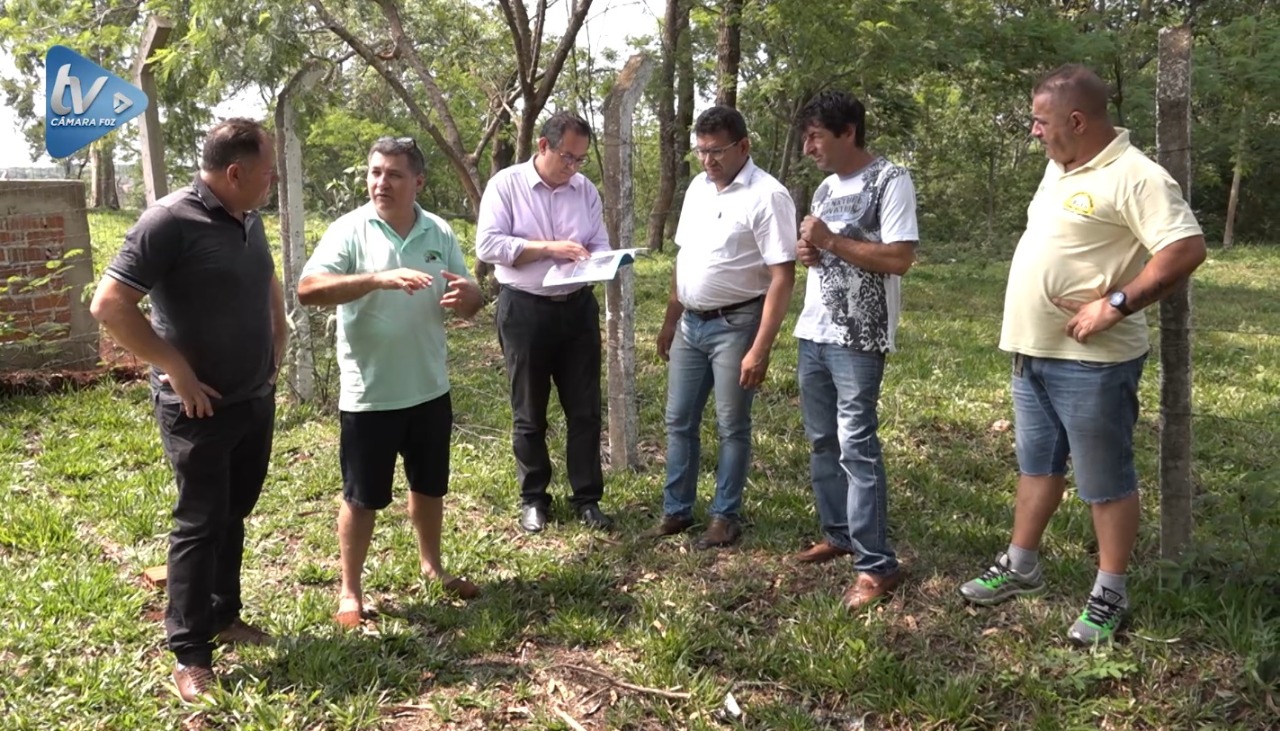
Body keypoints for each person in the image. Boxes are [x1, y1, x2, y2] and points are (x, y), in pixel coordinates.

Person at [958, 65, 1207, 645]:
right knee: (1037, 466)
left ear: (1076, 119)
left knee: (1105, 481)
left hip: (1094, 362)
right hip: (1034, 352)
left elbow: (1186, 248)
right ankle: (1022, 564)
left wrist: (1115, 303)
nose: (1034, 132)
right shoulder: (1058, 167)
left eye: (1041, 121)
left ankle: (1110, 594)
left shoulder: (1137, 175)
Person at [89, 118, 286, 703]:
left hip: (252, 397)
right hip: (197, 407)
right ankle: (190, 651)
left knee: (234, 511)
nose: (272, 179)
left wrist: (278, 334)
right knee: (200, 521)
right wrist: (175, 368)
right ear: (235, 172)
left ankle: (224, 615)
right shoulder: (169, 220)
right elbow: (109, 304)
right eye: (268, 170)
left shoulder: (247, 216)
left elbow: (266, 278)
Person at [298, 137, 485, 629]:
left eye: (394, 174)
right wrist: (377, 279)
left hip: (429, 386)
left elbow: (468, 301)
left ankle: (433, 567)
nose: (381, 182)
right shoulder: (350, 230)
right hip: (370, 394)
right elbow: (308, 289)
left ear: (418, 182)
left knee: (429, 487)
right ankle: (350, 592)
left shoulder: (438, 231)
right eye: (375, 172)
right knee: (362, 497)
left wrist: (471, 295)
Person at [790, 91, 919, 611]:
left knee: (856, 446)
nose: (808, 147)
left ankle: (876, 564)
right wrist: (809, 254)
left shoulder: (892, 180)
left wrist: (830, 240)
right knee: (822, 441)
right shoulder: (824, 187)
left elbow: (900, 258)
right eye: (806, 136)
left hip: (861, 336)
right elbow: (824, 254)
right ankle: (839, 533)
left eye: (816, 135)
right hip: (814, 330)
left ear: (848, 133)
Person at [648, 105, 797, 549]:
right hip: (691, 325)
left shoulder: (769, 196)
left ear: (743, 147)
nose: (708, 161)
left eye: (716, 152)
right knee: (678, 421)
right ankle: (676, 510)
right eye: (701, 152)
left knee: (732, 424)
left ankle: (724, 516)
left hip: (737, 324)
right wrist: (671, 319)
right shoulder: (698, 188)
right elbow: (683, 257)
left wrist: (761, 348)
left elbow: (783, 277)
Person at [475, 112, 613, 534]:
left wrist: (599, 260)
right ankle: (534, 497)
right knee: (530, 411)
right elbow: (489, 244)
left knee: (585, 410)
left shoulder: (585, 189)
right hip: (526, 309)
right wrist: (548, 248)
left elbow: (599, 242)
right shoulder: (507, 185)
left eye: (581, 160)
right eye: (567, 157)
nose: (573, 167)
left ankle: (587, 498)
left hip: (576, 307)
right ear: (543, 146)